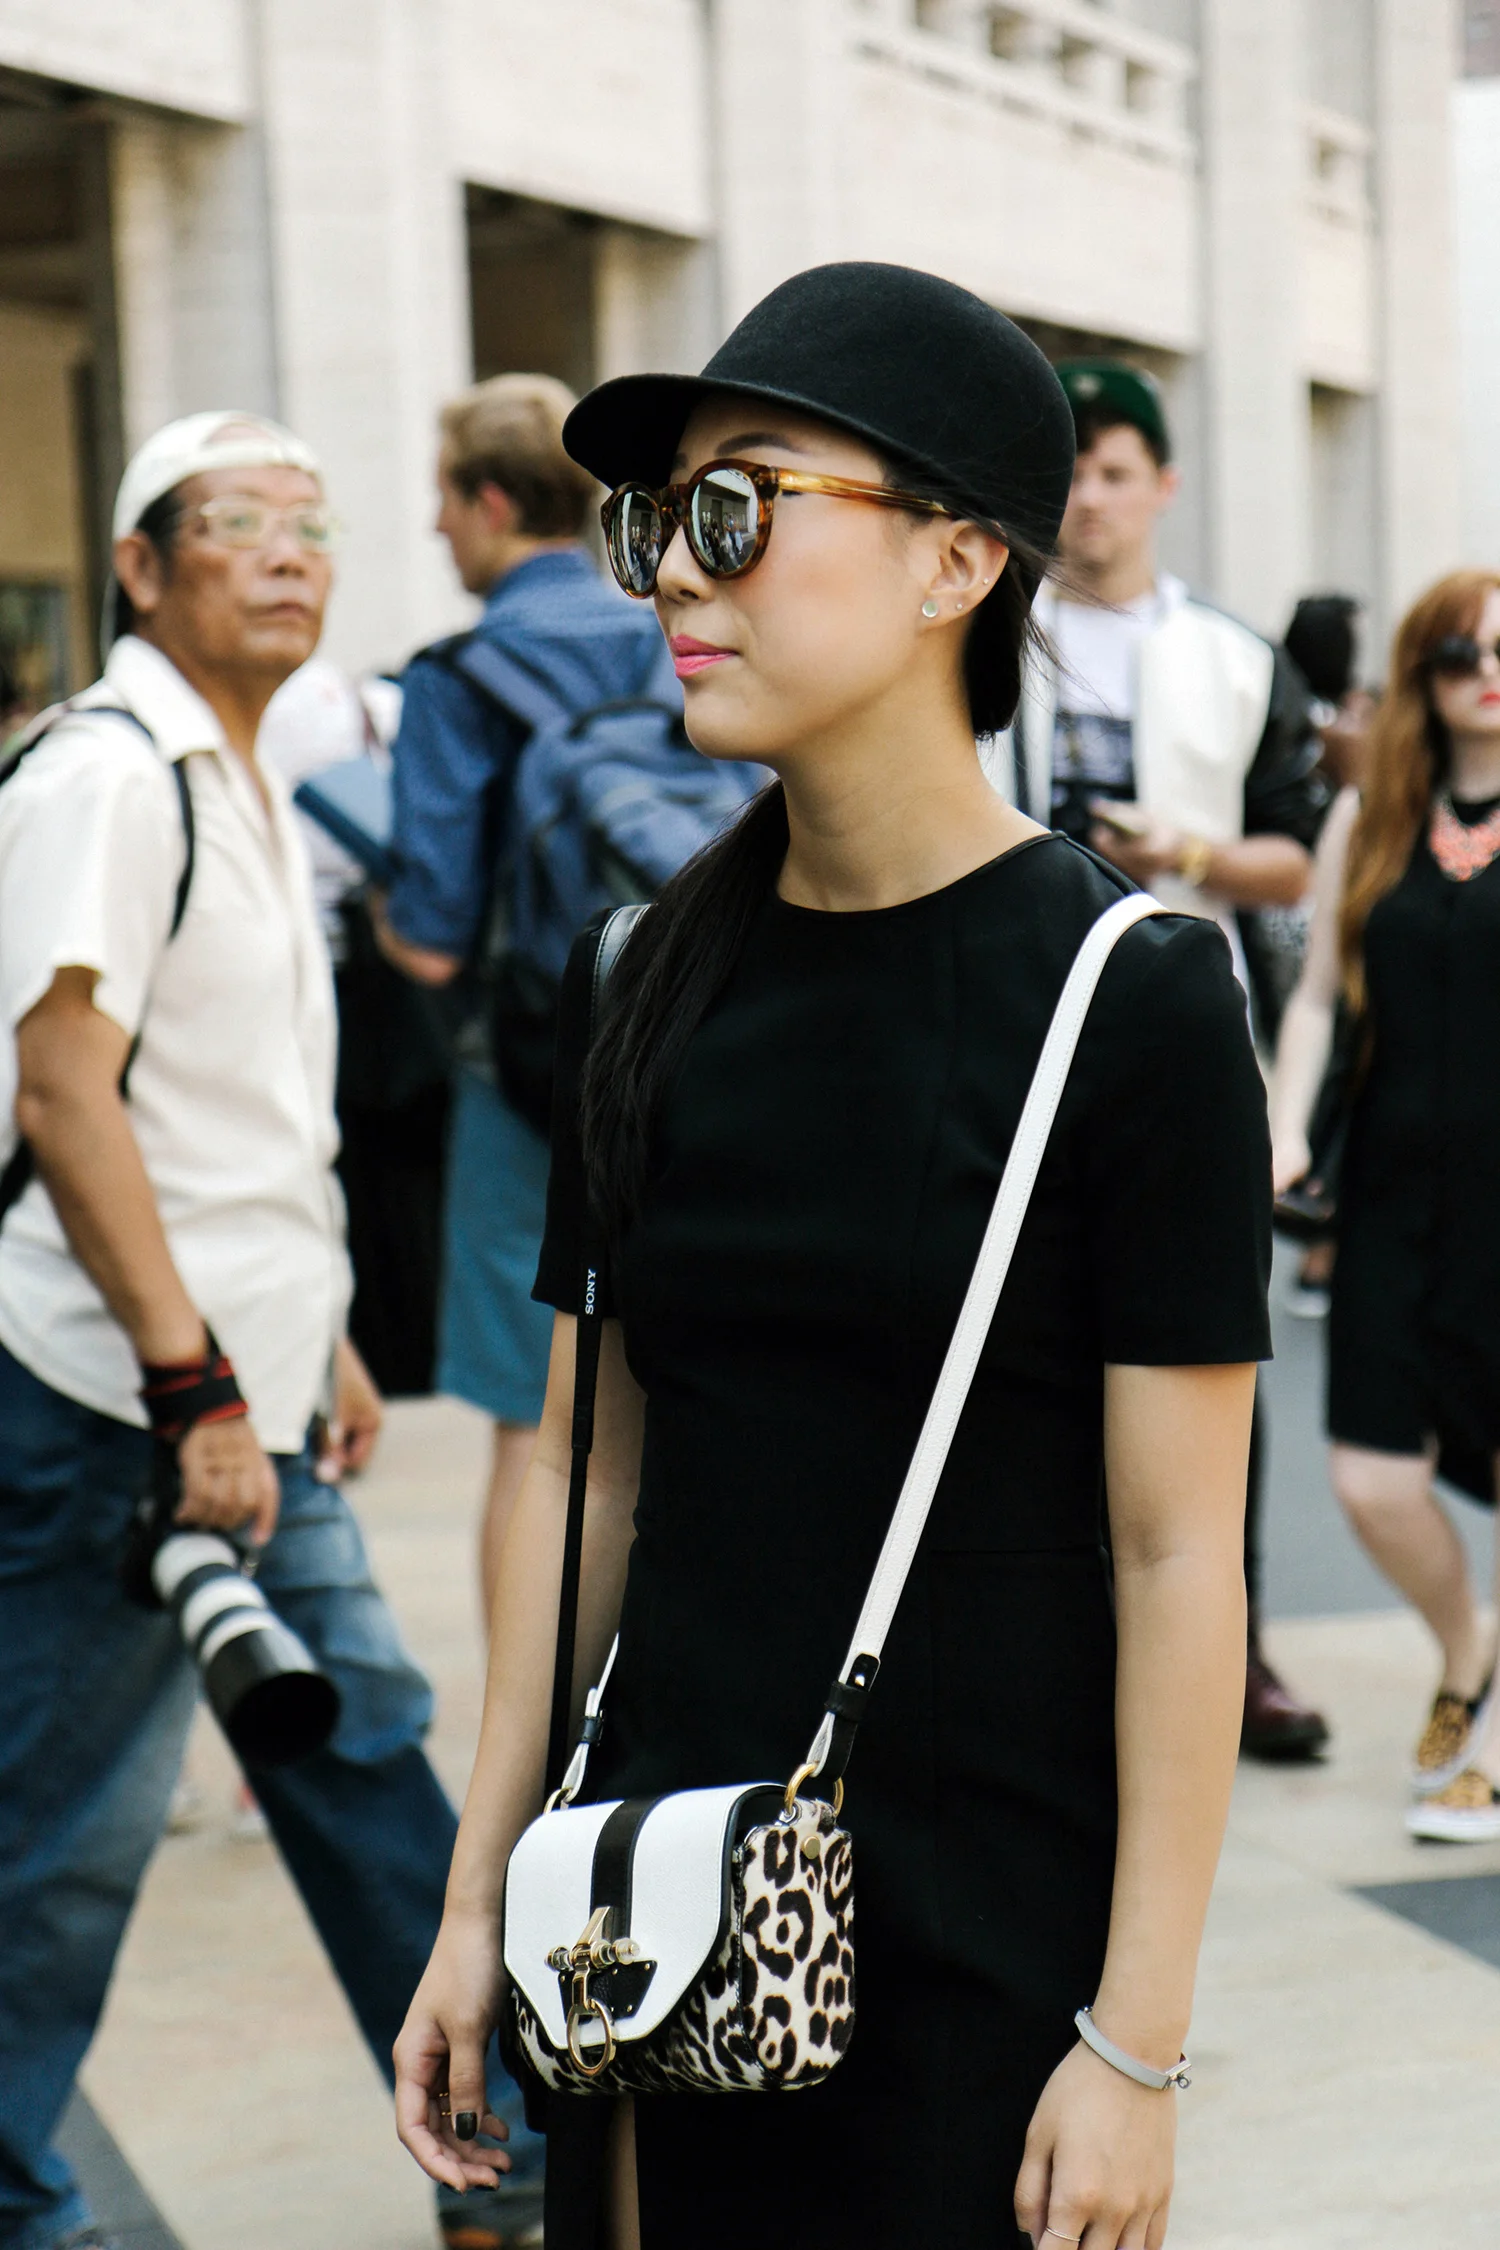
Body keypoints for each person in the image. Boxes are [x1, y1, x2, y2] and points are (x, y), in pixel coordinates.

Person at [392, 260, 1270, 2250]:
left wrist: (1138, 2041)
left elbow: (1178, 1556)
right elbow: (588, 1472)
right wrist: (473, 1901)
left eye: (739, 508)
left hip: (989, 1946)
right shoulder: (645, 975)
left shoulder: (1128, 996)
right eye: (656, 519)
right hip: (658, 1902)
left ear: (958, 559)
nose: (672, 577)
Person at [0, 412, 540, 2250]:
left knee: (361, 1750)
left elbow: (227, 1124)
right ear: (140, 567)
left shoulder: (237, 772)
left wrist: (322, 1349)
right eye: (237, 522)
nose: (290, 554)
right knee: (60, 1843)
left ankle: (502, 2154)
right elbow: (65, 1097)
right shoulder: (105, 776)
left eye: (312, 524)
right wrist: (194, 1383)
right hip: (121, 1404)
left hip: (245, 1392)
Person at [992, 357, 1328, 1762]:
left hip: (1179, 1034)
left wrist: (1181, 851)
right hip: (1007, 1024)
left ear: (1163, 486)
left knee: (1200, 1346)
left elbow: (1296, 854)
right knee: (1019, 1345)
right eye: (1069, 471)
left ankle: (1228, 1647)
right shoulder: (981, 627)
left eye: (1116, 472)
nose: (1089, 500)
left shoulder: (1234, 657)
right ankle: (1044, 1641)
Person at [375, 376, 667, 1626]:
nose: (437, 527)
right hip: (679, 1044)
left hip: (526, 1077)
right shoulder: (669, 631)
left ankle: (533, 1719)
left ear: (492, 502)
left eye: (445, 500)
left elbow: (433, 941)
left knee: (531, 1426)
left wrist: (382, 911)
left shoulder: (457, 676)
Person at [1270, 570, 1500, 1845]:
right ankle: (1468, 1647)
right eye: (1464, 650)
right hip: (1394, 1193)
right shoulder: (1372, 813)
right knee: (1370, 1478)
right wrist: (1284, 1124)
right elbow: (1316, 996)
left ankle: (1489, 1745)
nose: (1488, 673)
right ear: (1422, 669)